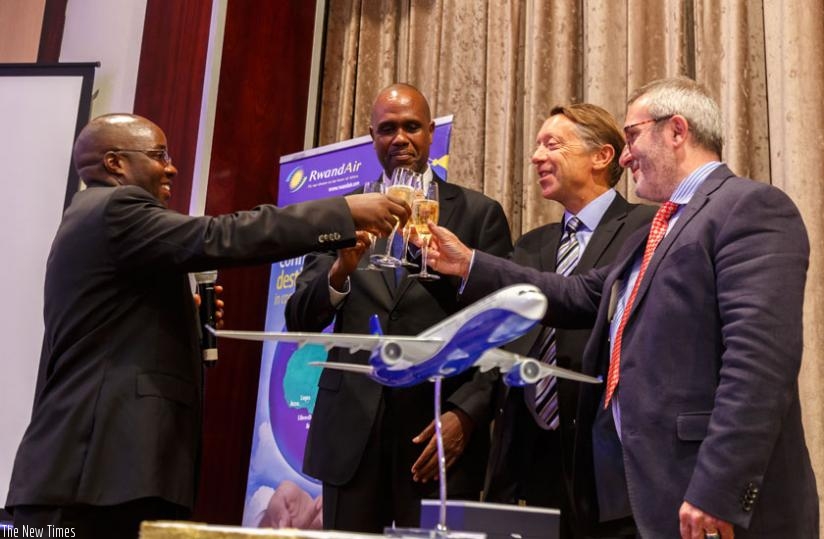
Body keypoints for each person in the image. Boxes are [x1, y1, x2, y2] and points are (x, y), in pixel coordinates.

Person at [424, 78, 818, 538]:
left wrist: (718, 488)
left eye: (632, 136)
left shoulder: (748, 207)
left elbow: (760, 364)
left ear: (676, 130)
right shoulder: (653, 233)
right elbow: (574, 295)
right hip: (641, 499)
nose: (625, 157)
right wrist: (468, 263)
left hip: (707, 501)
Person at [5, 113, 410, 538]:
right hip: (93, 478)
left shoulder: (92, 218)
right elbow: (222, 235)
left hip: (103, 475)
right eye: (159, 155)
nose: (171, 167)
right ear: (114, 163)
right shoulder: (114, 209)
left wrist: (182, 317)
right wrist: (343, 212)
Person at [285, 83, 513, 533]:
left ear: (431, 133)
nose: (400, 138)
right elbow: (299, 317)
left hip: (436, 435)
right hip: (350, 435)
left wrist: (467, 413)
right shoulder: (341, 212)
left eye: (411, 127)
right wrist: (340, 271)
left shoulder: (478, 213)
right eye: (388, 129)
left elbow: (502, 327)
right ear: (372, 136)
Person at [482, 104, 654, 539]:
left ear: (602, 156)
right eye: (537, 145)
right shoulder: (531, 245)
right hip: (528, 463)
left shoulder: (645, 228)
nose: (537, 156)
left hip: (606, 465)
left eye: (552, 144)